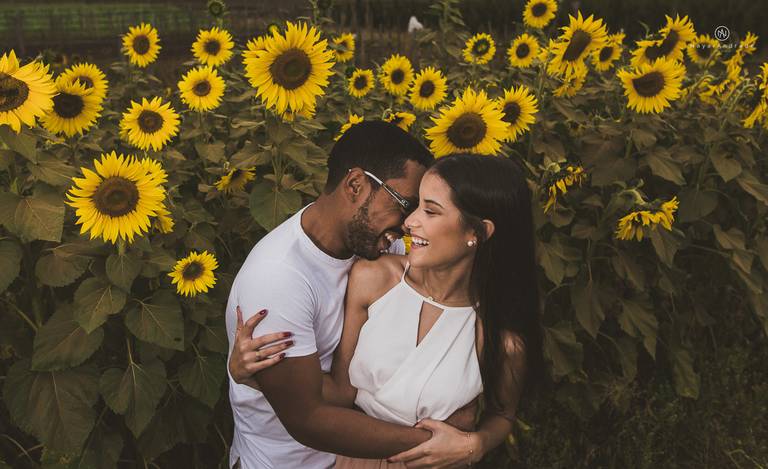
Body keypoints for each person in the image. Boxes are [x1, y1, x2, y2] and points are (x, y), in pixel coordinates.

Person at [231, 152, 545, 468]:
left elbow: (503, 413)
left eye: (431, 211)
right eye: (414, 206)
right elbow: (341, 391)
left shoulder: (501, 338)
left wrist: (475, 444)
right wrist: (256, 374)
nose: (409, 223)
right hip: (352, 461)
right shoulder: (374, 279)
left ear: (476, 233)